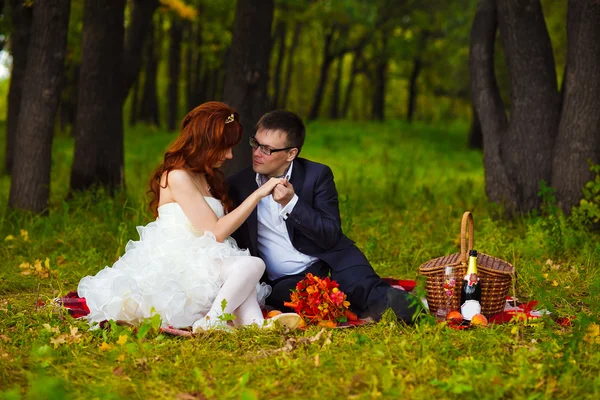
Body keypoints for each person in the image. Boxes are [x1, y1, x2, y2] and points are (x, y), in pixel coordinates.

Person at [78, 102, 301, 332]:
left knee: (247, 275)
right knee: (253, 265)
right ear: (206, 142)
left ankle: (255, 325)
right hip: (178, 261)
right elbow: (215, 233)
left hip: (206, 259)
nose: (230, 155)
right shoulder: (177, 177)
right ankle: (213, 320)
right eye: (224, 147)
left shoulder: (207, 177)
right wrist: (258, 194)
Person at [227, 110, 418, 323]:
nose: (256, 153)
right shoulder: (239, 185)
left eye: (267, 149)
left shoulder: (316, 175)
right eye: (256, 143)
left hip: (333, 260)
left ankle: (416, 305)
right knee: (314, 305)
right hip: (287, 281)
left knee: (381, 299)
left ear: (291, 154)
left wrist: (292, 204)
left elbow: (330, 234)